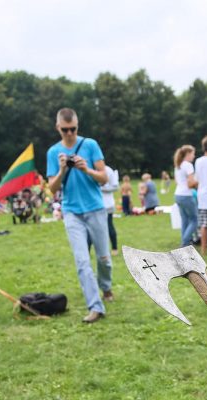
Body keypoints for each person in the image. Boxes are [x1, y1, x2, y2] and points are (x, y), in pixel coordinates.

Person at [46, 107, 112, 323]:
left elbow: (104, 178)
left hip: (95, 208)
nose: (69, 133)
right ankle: (95, 307)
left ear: (77, 126)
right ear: (58, 128)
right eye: (65, 130)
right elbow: (52, 189)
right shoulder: (53, 152)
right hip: (72, 212)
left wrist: (86, 169)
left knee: (104, 259)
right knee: (82, 261)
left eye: (73, 129)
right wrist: (62, 169)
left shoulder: (90, 145)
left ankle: (106, 287)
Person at [173, 145, 199, 247]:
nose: (194, 156)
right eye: (193, 153)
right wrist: (199, 181)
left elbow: (177, 181)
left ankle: (185, 242)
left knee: (185, 220)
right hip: (186, 195)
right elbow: (190, 184)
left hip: (178, 194)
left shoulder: (178, 165)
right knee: (194, 220)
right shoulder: (188, 165)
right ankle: (185, 242)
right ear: (188, 154)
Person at [101, 165, 120, 255]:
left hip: (107, 204)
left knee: (109, 226)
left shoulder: (108, 170)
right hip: (93, 205)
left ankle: (114, 248)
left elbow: (115, 186)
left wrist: (101, 188)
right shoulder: (89, 168)